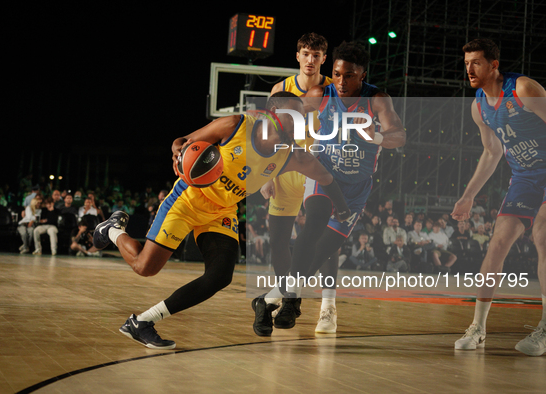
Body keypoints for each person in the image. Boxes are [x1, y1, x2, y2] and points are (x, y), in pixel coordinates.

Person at [92, 92, 350, 348]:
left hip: (222, 211)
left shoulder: (293, 155)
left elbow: (326, 178)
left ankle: (143, 322)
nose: (299, 120)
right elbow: (183, 140)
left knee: (220, 275)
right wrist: (177, 152)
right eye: (293, 114)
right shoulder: (236, 124)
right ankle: (114, 230)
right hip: (189, 199)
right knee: (145, 267)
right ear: (273, 113)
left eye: (301, 115)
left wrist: (342, 208)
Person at [253, 41, 406, 336]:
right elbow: (283, 118)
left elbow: (398, 135)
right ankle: (290, 302)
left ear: (362, 75)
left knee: (324, 249)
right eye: (336, 74)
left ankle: (271, 298)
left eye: (348, 75)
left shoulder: (377, 99)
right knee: (313, 226)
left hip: (357, 186)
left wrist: (378, 138)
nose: (341, 81)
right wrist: (270, 152)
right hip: (324, 174)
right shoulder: (320, 94)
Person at [452, 38, 546, 355]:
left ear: (493, 65)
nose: (469, 69)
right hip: (523, 178)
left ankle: (545, 329)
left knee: (542, 235)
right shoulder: (478, 106)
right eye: (466, 63)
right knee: (497, 243)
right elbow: (491, 152)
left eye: (476, 62)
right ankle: (478, 327)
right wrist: (468, 196)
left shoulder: (523, 89)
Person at [261, 32, 340, 332]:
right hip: (286, 170)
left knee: (324, 240)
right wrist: (267, 175)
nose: (310, 60)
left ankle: (328, 307)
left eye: (316, 55)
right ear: (297, 56)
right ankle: (289, 298)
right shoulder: (280, 90)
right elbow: (270, 136)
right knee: (278, 240)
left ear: (324, 59)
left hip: (318, 169)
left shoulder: (335, 90)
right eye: (306, 53)